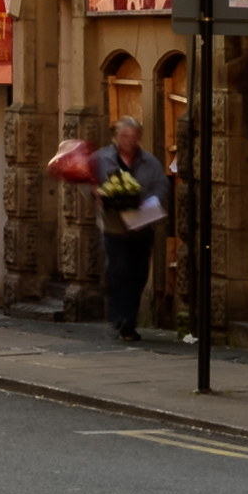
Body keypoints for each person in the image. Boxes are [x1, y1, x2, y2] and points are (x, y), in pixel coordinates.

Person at [92, 129, 169, 341]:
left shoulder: (149, 162)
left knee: (138, 275)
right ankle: (123, 320)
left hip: (141, 227)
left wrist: (151, 200)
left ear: (139, 138)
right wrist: (95, 192)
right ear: (117, 137)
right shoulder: (101, 158)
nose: (129, 140)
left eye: (133, 136)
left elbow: (163, 186)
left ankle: (128, 318)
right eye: (125, 136)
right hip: (114, 227)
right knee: (119, 273)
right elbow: (85, 179)